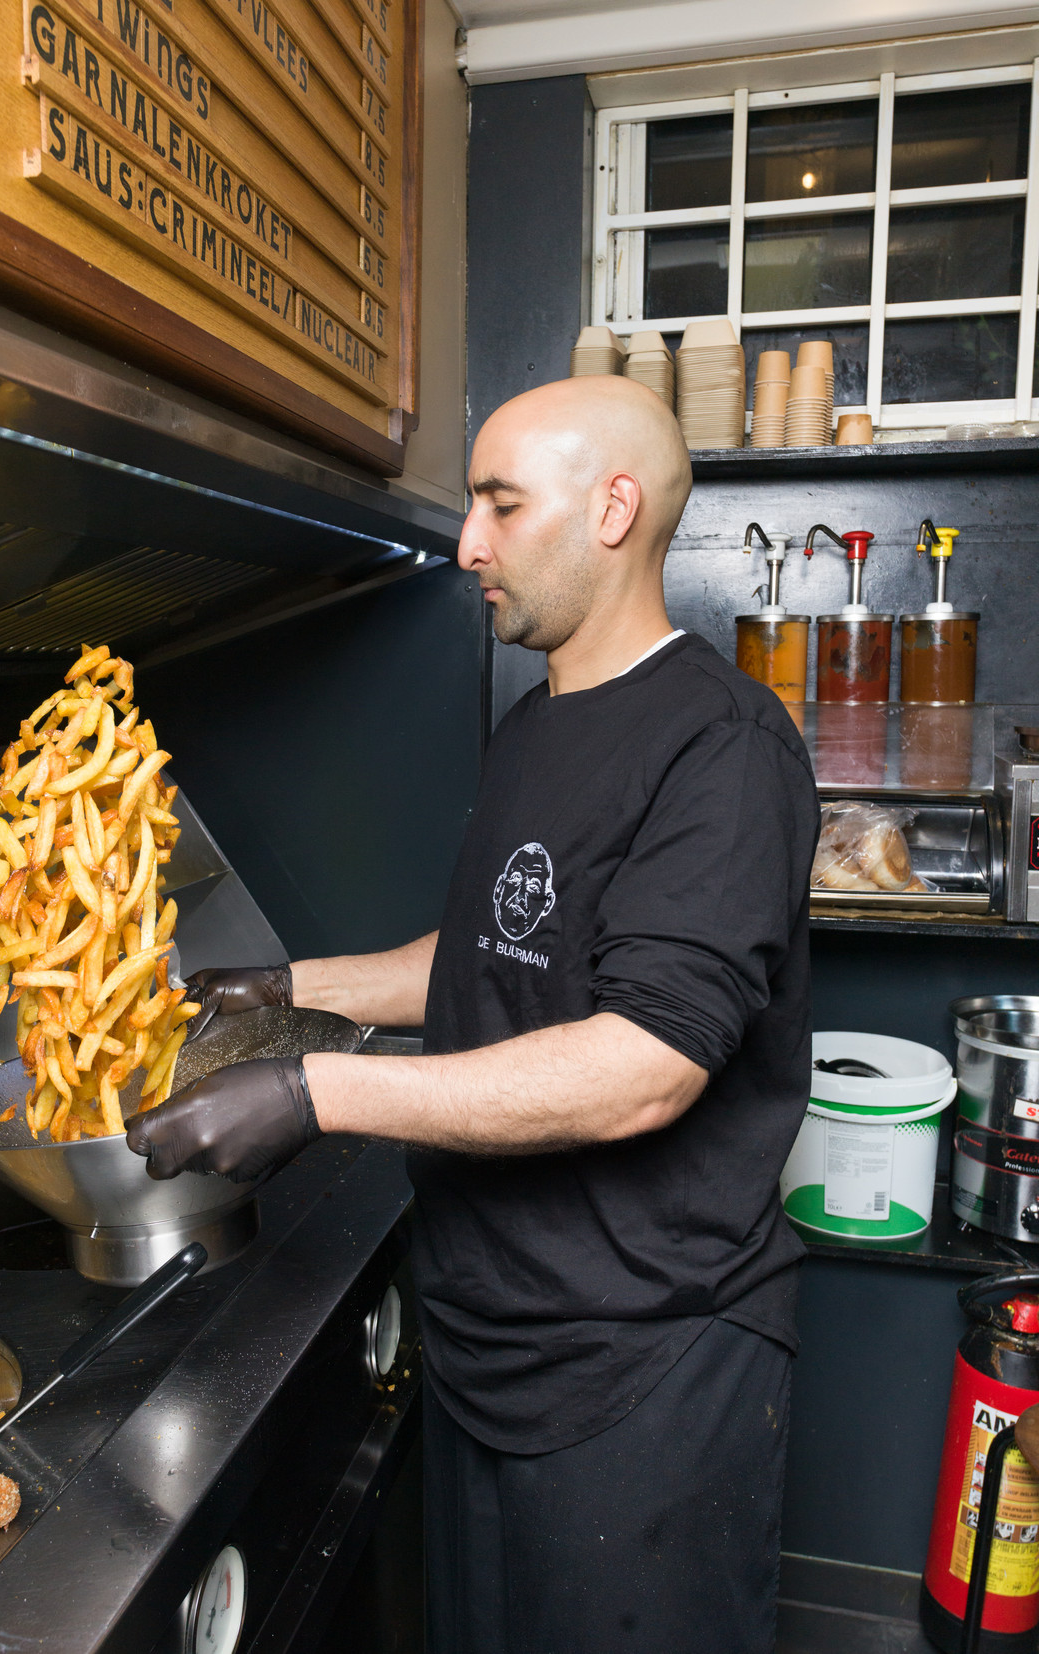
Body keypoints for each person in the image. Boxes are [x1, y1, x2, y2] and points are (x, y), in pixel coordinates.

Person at [126, 375, 821, 1654]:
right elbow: (503, 947)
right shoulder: (539, 720)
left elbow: (643, 1063)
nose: (465, 542)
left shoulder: (722, 745)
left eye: (500, 503)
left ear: (613, 509)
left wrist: (314, 1092)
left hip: (644, 1362)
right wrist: (288, 991)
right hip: (489, 1324)